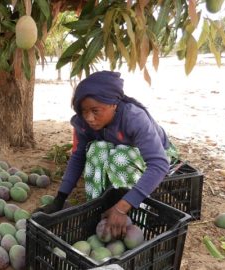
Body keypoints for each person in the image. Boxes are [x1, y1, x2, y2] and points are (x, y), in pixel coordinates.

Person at [37, 71, 179, 240]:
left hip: (155, 155)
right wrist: (59, 199)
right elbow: (78, 157)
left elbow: (158, 164)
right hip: (117, 152)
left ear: (113, 104)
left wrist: (122, 207)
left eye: (95, 110)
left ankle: (136, 217)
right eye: (84, 111)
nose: (89, 117)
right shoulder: (83, 123)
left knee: (120, 156)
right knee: (96, 149)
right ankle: (98, 209)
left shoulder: (134, 117)